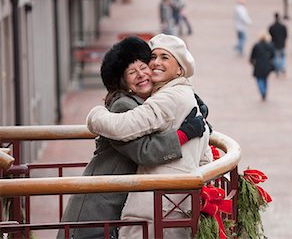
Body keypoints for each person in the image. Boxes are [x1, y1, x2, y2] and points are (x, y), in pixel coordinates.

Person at [57, 37, 206, 239]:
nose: (141, 75)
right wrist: (185, 133)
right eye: (131, 72)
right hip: (96, 212)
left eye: (143, 67)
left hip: (112, 206)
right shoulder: (123, 106)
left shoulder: (145, 102)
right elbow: (145, 152)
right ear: (123, 81)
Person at [250, 31, 275, 101]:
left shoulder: (256, 45)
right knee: (265, 79)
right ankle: (264, 91)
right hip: (266, 64)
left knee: (259, 79)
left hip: (258, 64)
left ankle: (263, 91)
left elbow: (252, 56)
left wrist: (252, 62)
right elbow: (273, 55)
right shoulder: (270, 45)